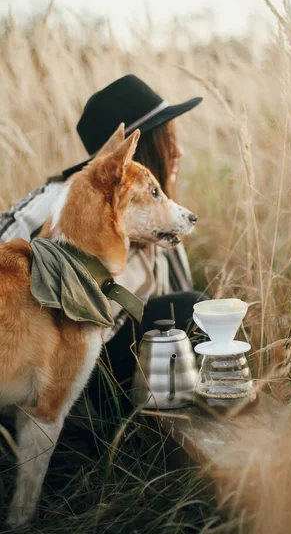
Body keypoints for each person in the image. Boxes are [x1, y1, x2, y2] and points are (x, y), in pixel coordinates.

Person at [0, 74, 206, 422]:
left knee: (196, 309)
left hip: (109, 352)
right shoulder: (58, 206)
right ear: (130, 154)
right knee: (191, 307)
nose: (179, 151)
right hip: (54, 368)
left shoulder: (155, 217)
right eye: (167, 140)